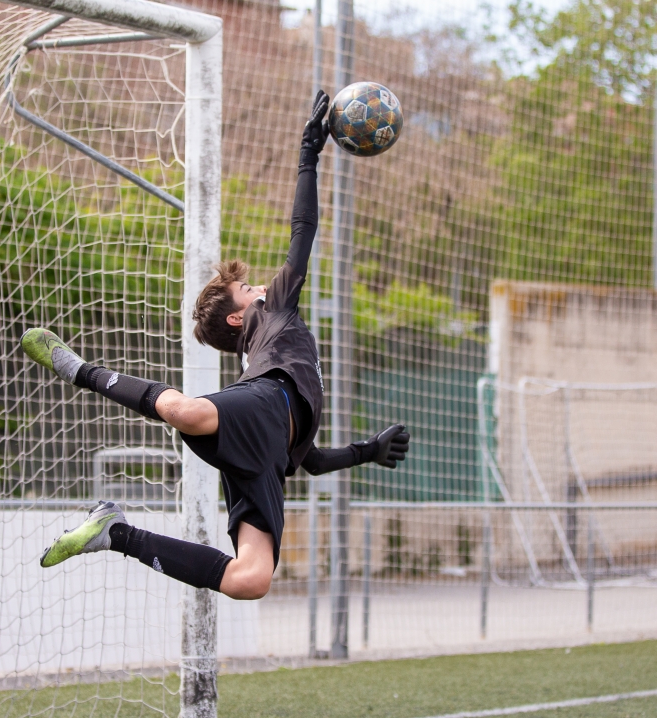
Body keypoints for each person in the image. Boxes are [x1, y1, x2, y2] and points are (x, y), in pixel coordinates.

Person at [21, 90, 410, 601]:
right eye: (248, 290)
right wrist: (308, 156)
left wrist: (367, 452)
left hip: (268, 454)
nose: (261, 288)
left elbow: (310, 461)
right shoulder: (275, 314)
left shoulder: (270, 345)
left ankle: (115, 533)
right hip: (261, 408)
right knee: (187, 412)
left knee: (250, 581)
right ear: (238, 314)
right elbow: (303, 230)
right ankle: (79, 370)